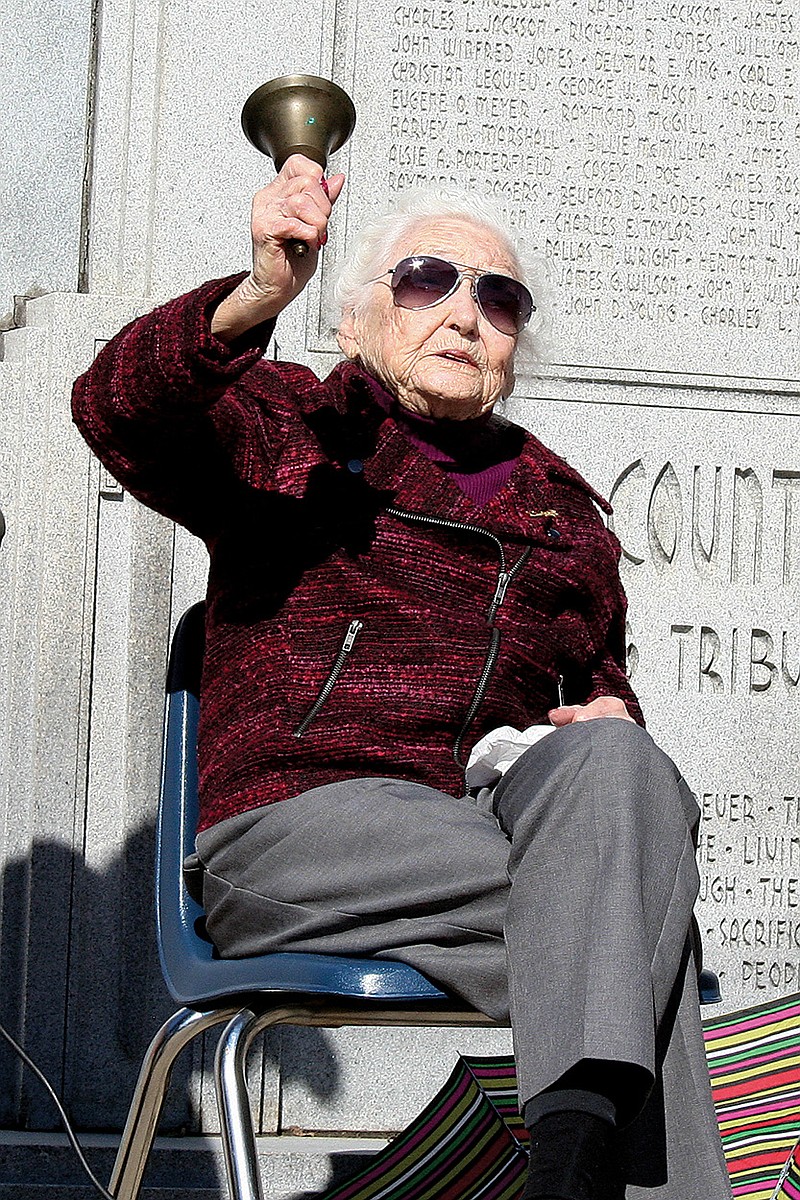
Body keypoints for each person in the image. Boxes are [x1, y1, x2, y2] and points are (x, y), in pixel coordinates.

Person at [72, 156, 731, 1200]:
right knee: (639, 916)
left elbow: (599, 702)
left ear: (517, 342)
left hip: (487, 825)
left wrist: (607, 716)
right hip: (303, 827)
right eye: (428, 280)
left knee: (620, 776)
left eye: (498, 298)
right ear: (358, 316)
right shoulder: (288, 429)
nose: (465, 314)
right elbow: (118, 408)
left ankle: (566, 1168)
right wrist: (255, 297)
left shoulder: (564, 517)